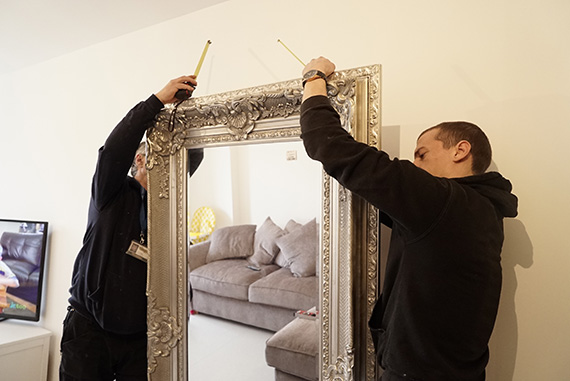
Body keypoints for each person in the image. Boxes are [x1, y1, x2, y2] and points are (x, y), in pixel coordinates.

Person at [299, 57, 518, 380]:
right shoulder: (479, 211)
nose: (414, 164)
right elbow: (372, 192)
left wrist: (314, 79)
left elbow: (330, 147)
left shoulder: (444, 201)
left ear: (460, 150)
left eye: (422, 154)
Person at [60, 75, 203, 380]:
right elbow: (112, 151)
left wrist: (189, 119)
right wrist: (157, 101)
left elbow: (194, 155)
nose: (174, 175)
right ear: (139, 160)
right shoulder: (110, 192)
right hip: (89, 333)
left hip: (140, 339)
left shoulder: (168, 211)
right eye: (162, 165)